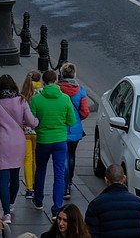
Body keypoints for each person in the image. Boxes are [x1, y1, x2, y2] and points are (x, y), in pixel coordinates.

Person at [0, 74, 38, 225]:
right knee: (15, 176)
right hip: (19, 142)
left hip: (2, 143)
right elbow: (31, 122)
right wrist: (38, 120)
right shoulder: (21, 100)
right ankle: (11, 204)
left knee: (3, 180)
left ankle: (6, 214)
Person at [29, 69, 76, 217]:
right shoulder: (65, 98)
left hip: (43, 140)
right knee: (59, 174)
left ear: (43, 82)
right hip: (60, 140)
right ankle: (56, 207)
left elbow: (32, 121)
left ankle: (39, 200)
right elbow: (71, 121)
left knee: (41, 170)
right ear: (56, 81)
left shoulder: (37, 99)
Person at [84, 163, 140, 238]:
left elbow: (91, 234)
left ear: (106, 180)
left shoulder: (96, 205)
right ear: (124, 179)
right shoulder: (139, 203)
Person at [57, 63, 90, 202]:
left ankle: (65, 187)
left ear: (62, 74)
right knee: (71, 155)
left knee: (63, 157)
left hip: (60, 129)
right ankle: (69, 181)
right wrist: (77, 120)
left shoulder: (58, 89)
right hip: (75, 129)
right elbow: (85, 112)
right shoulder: (80, 91)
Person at [19, 71, 43, 201]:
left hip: (25, 131)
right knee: (36, 159)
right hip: (39, 131)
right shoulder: (43, 92)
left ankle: (29, 188)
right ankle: (35, 182)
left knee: (27, 160)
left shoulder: (22, 94)